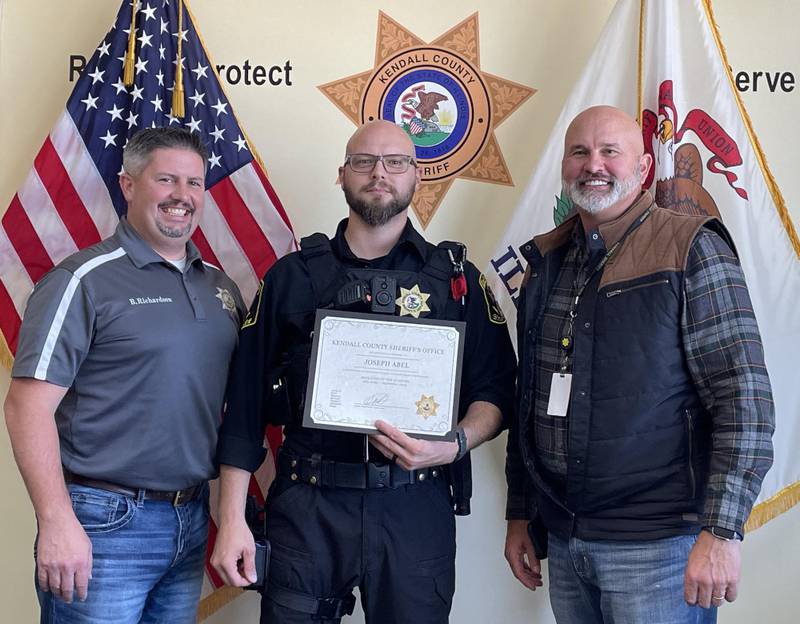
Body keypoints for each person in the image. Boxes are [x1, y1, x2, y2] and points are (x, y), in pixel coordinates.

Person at [211, 119, 516, 623]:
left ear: (417, 176)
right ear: (342, 174)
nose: (380, 173)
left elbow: (496, 391)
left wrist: (453, 445)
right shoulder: (291, 277)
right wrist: (230, 520)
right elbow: (242, 407)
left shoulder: (456, 280)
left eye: (395, 162)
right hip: (308, 506)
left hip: (413, 507)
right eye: (364, 162)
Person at [503, 105, 774, 623]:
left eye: (611, 152)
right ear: (564, 167)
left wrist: (721, 532)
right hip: (565, 539)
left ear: (644, 167)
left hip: (659, 549)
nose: (593, 165)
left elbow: (744, 395)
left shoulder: (692, 247)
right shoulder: (546, 262)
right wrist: (521, 513)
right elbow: (529, 399)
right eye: (580, 152)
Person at [4, 127, 245, 623]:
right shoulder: (82, 281)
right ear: (128, 185)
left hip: (191, 518)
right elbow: (26, 406)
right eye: (166, 180)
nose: (183, 197)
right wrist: (56, 520)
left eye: (195, 183)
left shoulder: (219, 288)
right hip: (102, 522)